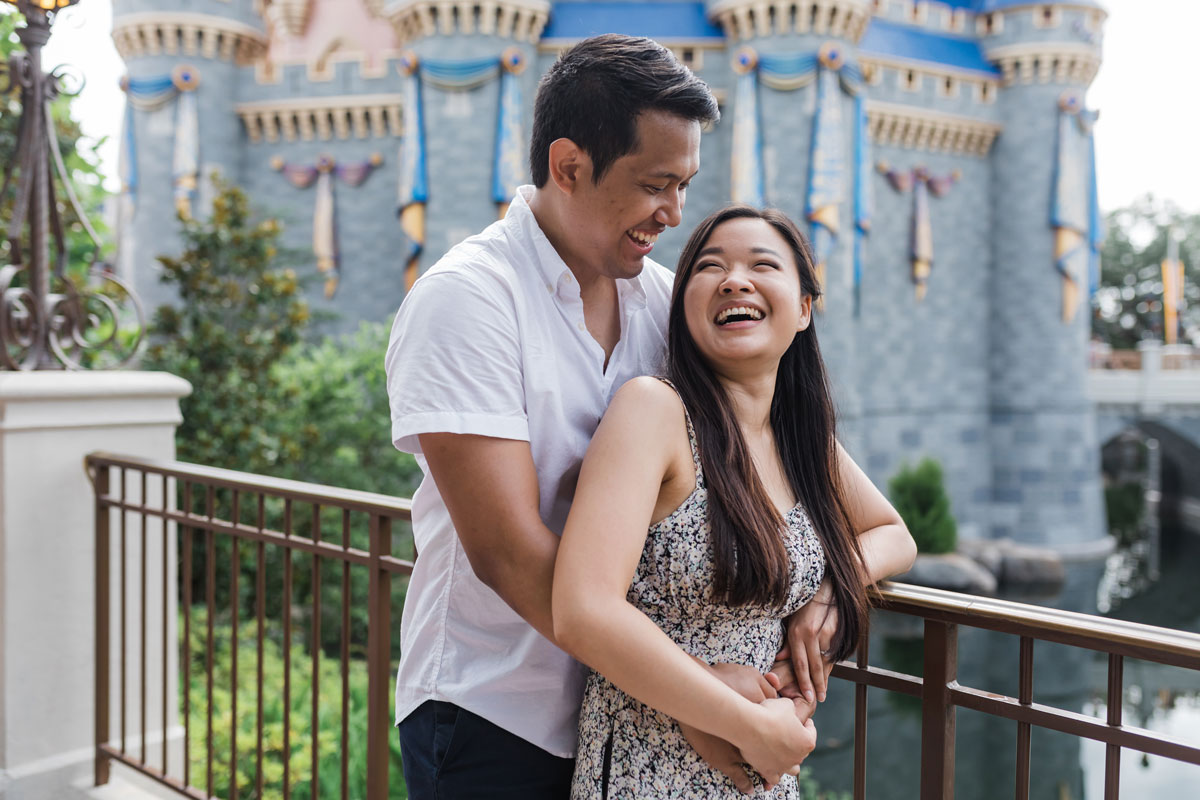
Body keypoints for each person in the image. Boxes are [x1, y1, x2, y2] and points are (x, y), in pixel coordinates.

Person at [384, 34, 721, 798]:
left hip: (627, 717)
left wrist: (824, 594)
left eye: (684, 186)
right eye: (655, 184)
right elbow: (507, 552)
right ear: (568, 166)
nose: (674, 213)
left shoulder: (665, 304)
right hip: (495, 712)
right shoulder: (465, 300)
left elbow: (782, 467)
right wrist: (693, 698)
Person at [552, 206, 918, 798]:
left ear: (803, 308)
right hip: (654, 762)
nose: (734, 280)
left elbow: (893, 535)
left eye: (762, 265)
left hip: (760, 766)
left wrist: (828, 593)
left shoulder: (800, 442)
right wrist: (744, 723)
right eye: (710, 266)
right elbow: (582, 610)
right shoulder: (655, 411)